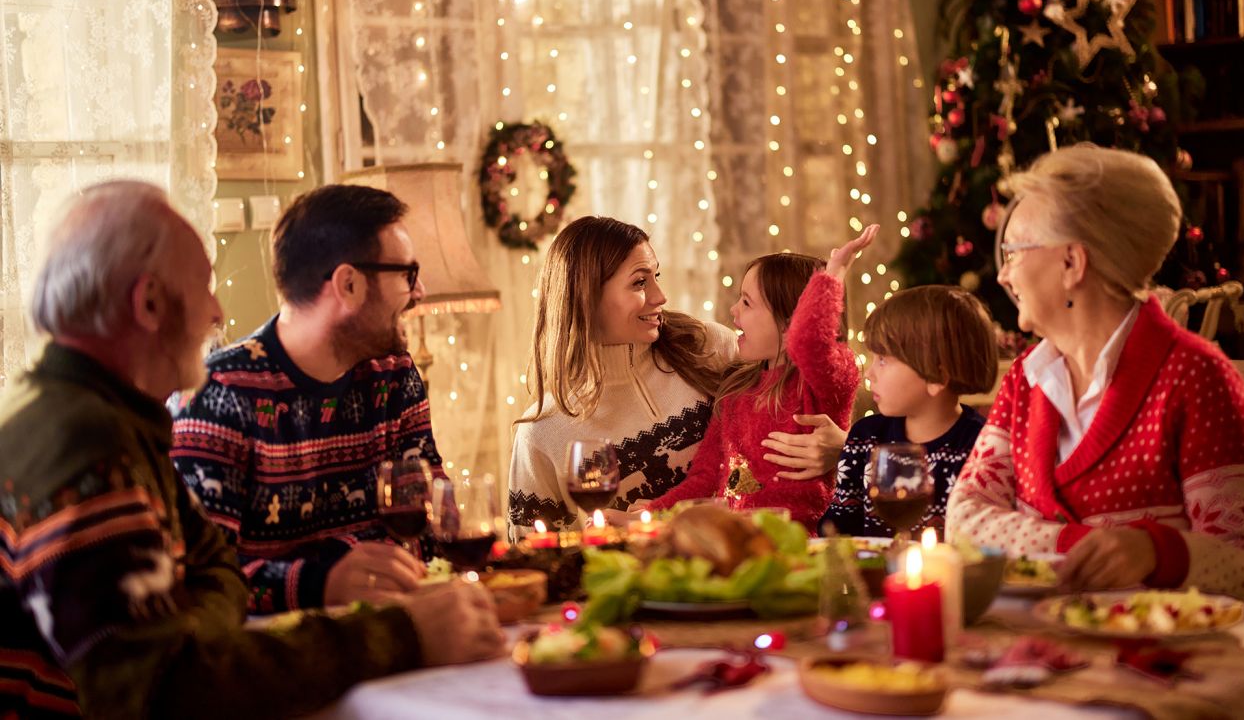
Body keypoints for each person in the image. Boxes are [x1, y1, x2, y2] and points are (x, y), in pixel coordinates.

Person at [0, 182, 502, 718]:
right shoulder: (81, 445)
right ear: (148, 303)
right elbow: (166, 690)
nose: (218, 312)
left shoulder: (109, 421)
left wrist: (195, 623)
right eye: (204, 286)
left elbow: (215, 572)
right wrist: (399, 634)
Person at [946, 144, 1244, 624]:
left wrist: (1155, 552)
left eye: (1013, 253)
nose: (1005, 274)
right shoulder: (1027, 379)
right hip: (1054, 640)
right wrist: (1083, 546)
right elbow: (964, 518)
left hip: (1174, 655)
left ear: (1072, 263)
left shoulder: (1196, 378)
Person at [172, 184, 443, 614]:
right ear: (349, 284)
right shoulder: (219, 394)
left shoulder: (394, 376)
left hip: (388, 627)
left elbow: (435, 523)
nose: (420, 291)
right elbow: (197, 579)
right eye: (407, 275)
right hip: (270, 648)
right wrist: (322, 582)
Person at [641, 226, 880, 531]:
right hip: (741, 542)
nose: (733, 311)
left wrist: (833, 275)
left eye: (746, 302)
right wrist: (649, 514)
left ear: (789, 323)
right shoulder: (735, 391)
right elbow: (705, 478)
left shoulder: (824, 382)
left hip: (804, 543)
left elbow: (808, 341)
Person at [508, 217, 739, 533]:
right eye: (640, 282)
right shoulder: (541, 433)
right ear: (587, 296)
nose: (660, 296)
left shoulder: (713, 348)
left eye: (655, 276)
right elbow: (534, 556)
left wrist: (818, 448)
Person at [821, 285, 998, 538]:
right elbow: (836, 533)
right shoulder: (864, 438)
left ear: (936, 377)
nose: (869, 374)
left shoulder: (982, 449)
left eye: (883, 360)